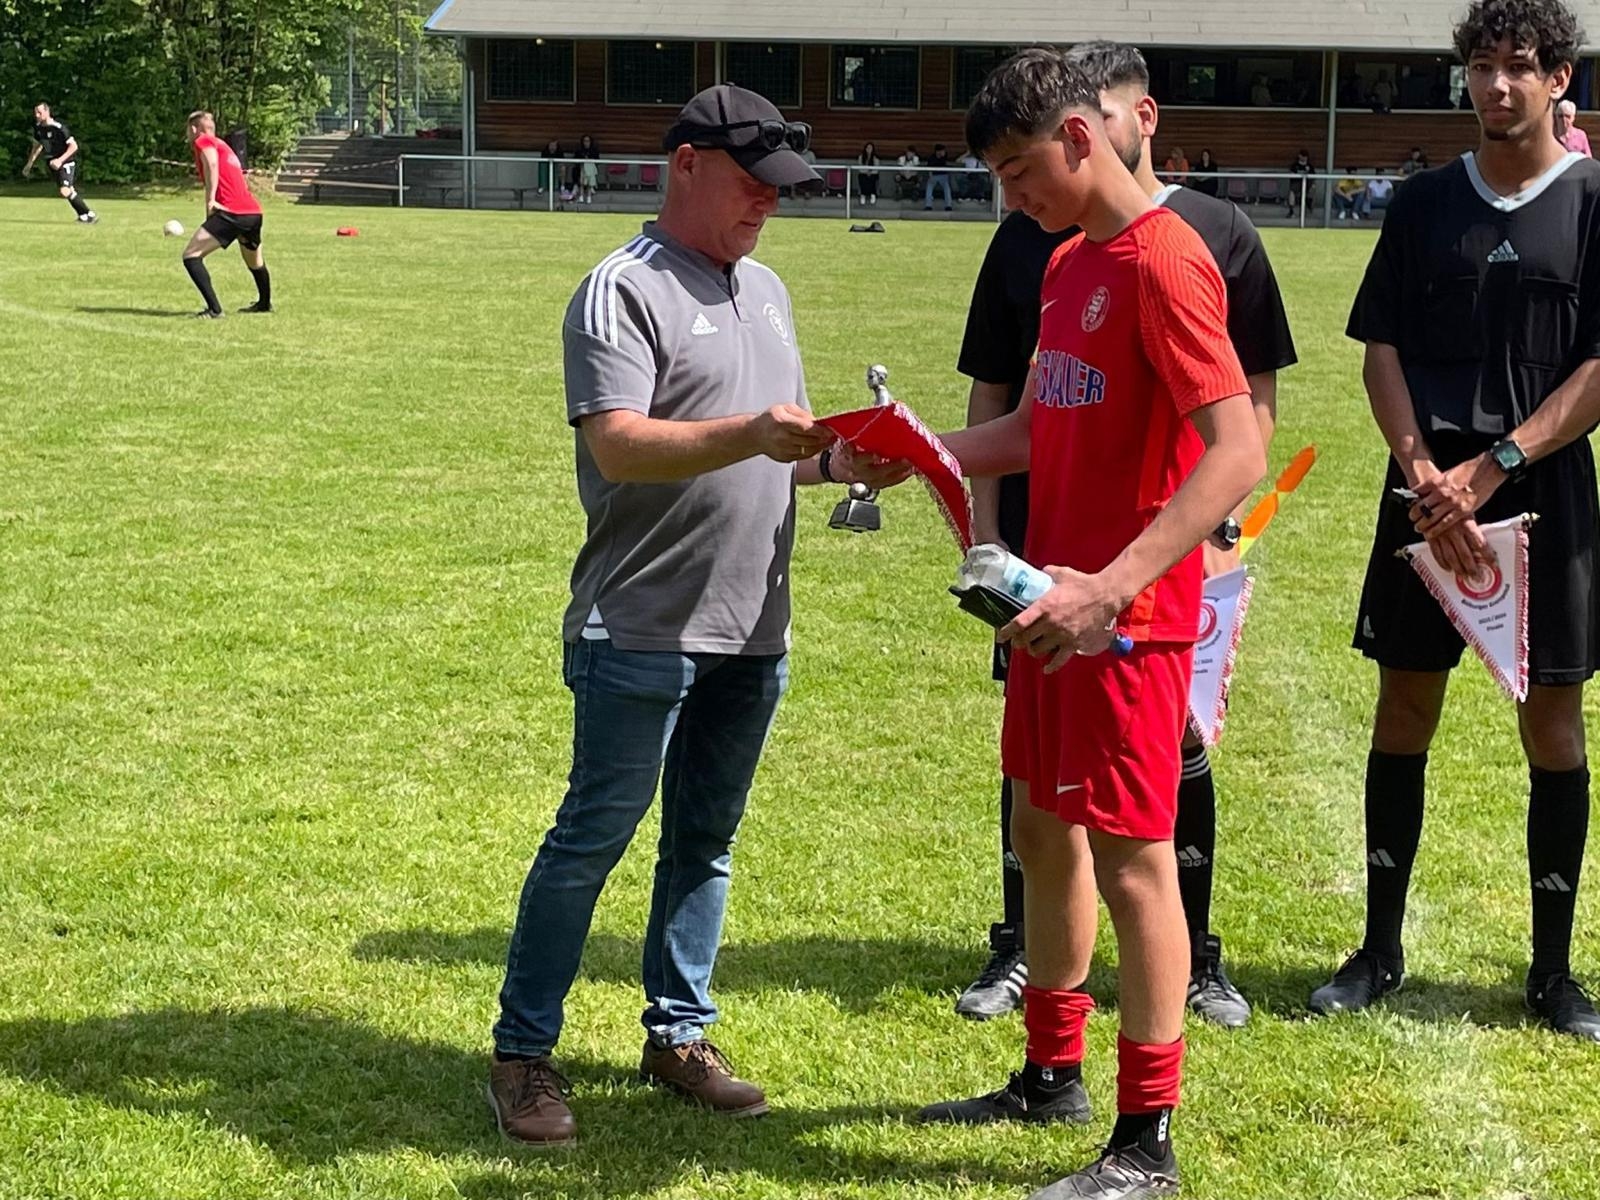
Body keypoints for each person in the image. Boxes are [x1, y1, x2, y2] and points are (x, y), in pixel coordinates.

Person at [484, 83, 906, 1148]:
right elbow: (620, 444)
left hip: (752, 628)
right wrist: (752, 432)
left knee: (705, 844)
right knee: (592, 840)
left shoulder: (766, 289)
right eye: (753, 182)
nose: (769, 202)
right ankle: (522, 1056)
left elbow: (776, 456)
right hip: (640, 626)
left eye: (781, 188)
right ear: (685, 164)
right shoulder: (620, 289)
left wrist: (840, 464)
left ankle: (678, 1034)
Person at [920, 47, 1265, 1200]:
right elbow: (1031, 428)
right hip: (1047, 610)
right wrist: (905, 448)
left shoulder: (1165, 259)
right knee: (1039, 830)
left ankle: (1144, 1142)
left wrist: (1111, 586)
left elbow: (1238, 450)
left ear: (1079, 137)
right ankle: (1047, 1075)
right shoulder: (1068, 261)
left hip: (1123, 624)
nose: (1011, 195)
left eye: (1020, 170)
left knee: (1133, 865)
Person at [1314, 0, 1600, 1044]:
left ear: (1559, 79)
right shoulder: (1425, 202)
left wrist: (1498, 465)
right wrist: (1425, 474)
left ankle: (1552, 973)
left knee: (1553, 725)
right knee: (1403, 711)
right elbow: (1380, 350)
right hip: (1426, 496)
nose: (1497, 84)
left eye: (1519, 65)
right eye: (1482, 66)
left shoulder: (1594, 201)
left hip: (1543, 491)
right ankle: (1378, 949)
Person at [181, 111, 269, 318]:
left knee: (191, 256)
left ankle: (214, 310)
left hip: (231, 211)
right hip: (252, 212)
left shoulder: (203, 141)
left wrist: (211, 200)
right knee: (255, 262)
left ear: (194, 128)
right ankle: (264, 304)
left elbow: (211, 163)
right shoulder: (224, 145)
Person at [23, 103, 96, 223]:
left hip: (66, 162)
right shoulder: (38, 128)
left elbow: (74, 146)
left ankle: (89, 214)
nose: (37, 115)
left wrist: (60, 160)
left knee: (65, 190)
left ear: (47, 112)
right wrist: (29, 164)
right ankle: (84, 216)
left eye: (39, 112)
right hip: (53, 164)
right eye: (35, 112)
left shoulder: (59, 128)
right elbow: (37, 146)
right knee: (69, 191)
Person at [925, 142, 955, 210]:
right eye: (941, 151)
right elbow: (929, 169)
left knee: (947, 188)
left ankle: (948, 205)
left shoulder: (944, 156)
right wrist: (930, 176)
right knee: (929, 187)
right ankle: (928, 205)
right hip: (934, 176)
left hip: (943, 176)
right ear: (937, 151)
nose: (943, 152)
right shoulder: (931, 158)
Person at [1286, 148, 1315, 217]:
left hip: (1307, 184)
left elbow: (1313, 176)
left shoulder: (1310, 166)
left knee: (1313, 188)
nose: (1304, 158)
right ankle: (1291, 210)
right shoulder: (1295, 166)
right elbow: (1291, 175)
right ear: (1299, 156)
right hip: (1297, 183)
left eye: (1306, 156)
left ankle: (1309, 205)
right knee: (1291, 191)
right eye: (1303, 156)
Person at [571, 133, 600, 203]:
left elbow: (597, 160)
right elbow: (575, 160)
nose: (586, 143)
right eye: (585, 141)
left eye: (588, 141)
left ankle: (589, 196)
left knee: (589, 180)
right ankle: (580, 194)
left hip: (591, 169)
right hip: (581, 169)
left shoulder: (594, 150)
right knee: (580, 180)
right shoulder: (579, 150)